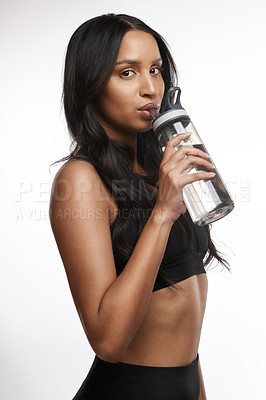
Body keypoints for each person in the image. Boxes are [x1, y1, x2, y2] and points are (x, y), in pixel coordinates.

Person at [49, 13, 229, 400]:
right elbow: (108, 341)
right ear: (90, 85)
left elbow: (185, 323)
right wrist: (162, 214)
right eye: (127, 73)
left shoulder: (159, 167)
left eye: (156, 70)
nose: (151, 88)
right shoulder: (81, 179)